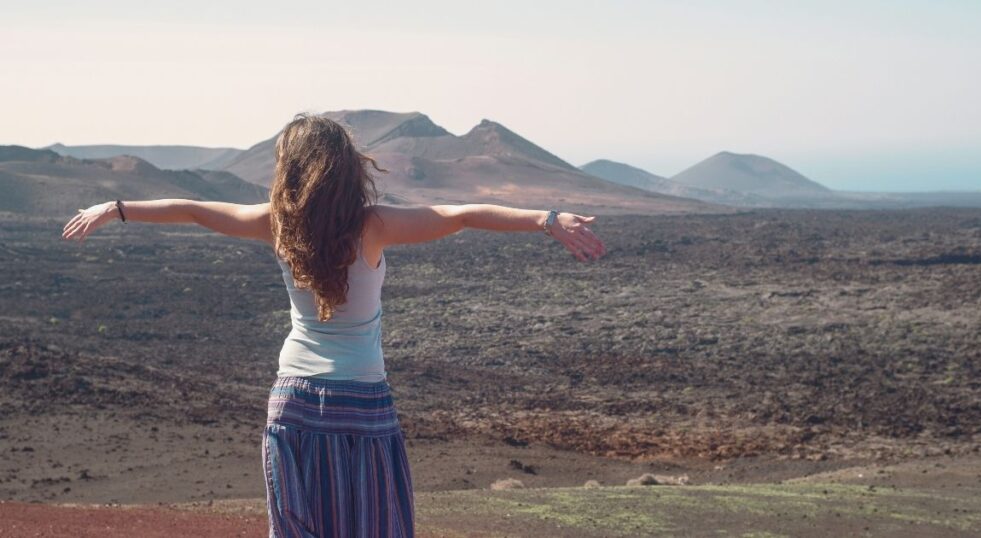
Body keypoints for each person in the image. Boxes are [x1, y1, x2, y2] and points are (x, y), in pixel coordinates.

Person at [60, 113, 606, 537]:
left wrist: (117, 207)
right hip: (362, 404)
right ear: (346, 168)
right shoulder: (375, 225)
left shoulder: (276, 224)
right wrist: (547, 220)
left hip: (293, 402)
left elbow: (195, 209)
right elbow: (460, 214)